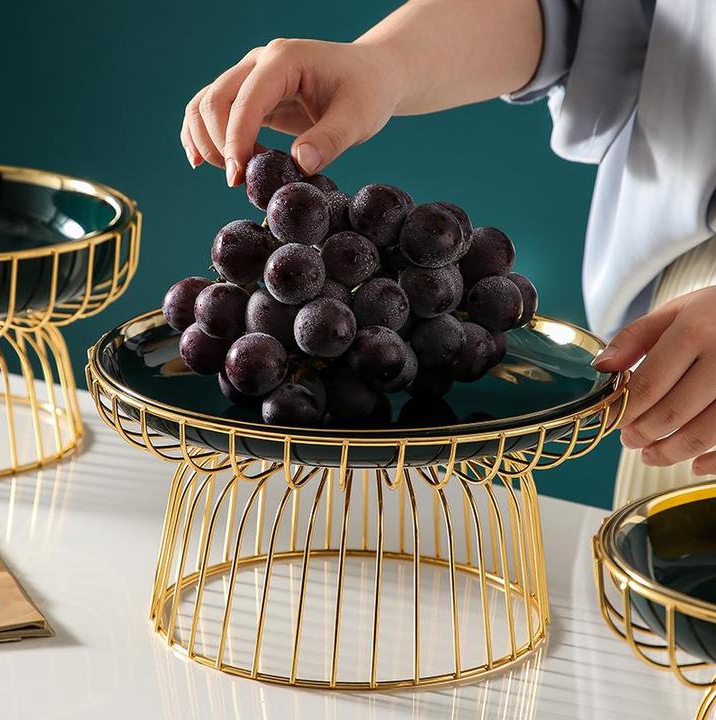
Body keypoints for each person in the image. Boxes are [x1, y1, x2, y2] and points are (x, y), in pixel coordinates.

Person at [180, 0, 716, 507]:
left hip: (696, 353)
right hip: (689, 343)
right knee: (646, 596)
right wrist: (383, 62)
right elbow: (590, 16)